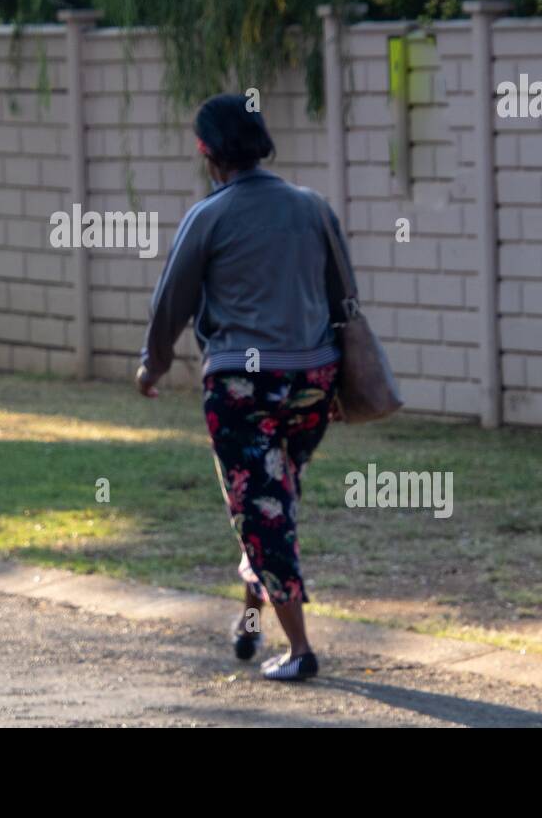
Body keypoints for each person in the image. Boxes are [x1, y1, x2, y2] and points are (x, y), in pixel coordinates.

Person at [135, 93, 356, 682]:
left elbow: (170, 304)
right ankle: (252, 624)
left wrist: (150, 368)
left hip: (242, 388)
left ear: (208, 155)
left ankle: (302, 650)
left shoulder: (208, 216)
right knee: (270, 500)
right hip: (312, 381)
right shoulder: (312, 207)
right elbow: (344, 295)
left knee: (263, 511)